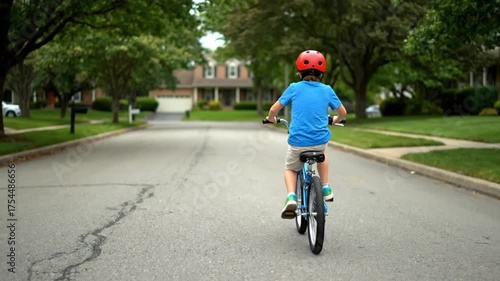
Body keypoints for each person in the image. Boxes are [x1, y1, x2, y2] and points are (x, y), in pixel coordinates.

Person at [265, 50, 347, 219]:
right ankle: (325, 186)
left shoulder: (294, 88)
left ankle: (291, 197)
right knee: (323, 154)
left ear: (299, 72)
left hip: (297, 143)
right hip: (319, 142)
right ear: (321, 74)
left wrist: (271, 118)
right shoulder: (327, 90)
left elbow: (274, 109)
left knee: (290, 168)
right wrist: (334, 120)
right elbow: (343, 113)